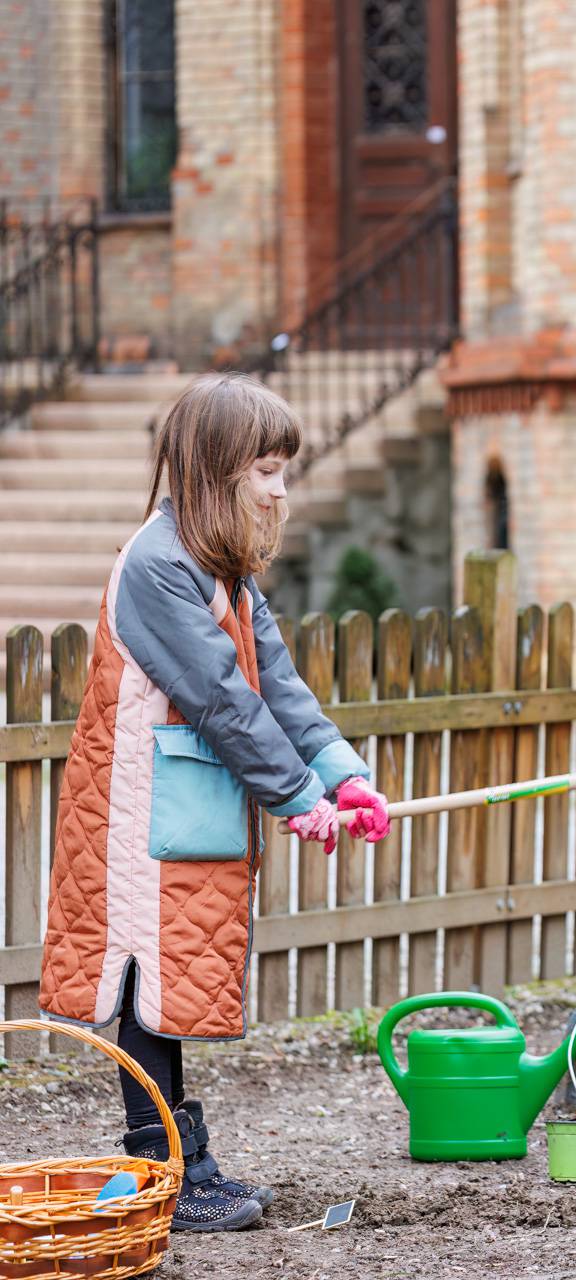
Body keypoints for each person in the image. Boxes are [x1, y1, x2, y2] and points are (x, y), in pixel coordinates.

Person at [38, 373, 393, 1230]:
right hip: (131, 813)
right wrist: (295, 796)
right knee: (140, 986)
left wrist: (340, 773)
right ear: (214, 468)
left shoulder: (220, 568)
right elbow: (224, 700)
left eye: (283, 470)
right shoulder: (158, 568)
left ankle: (184, 1167)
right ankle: (165, 1174)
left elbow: (276, 683)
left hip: (180, 805)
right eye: (266, 469)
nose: (280, 488)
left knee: (166, 989)